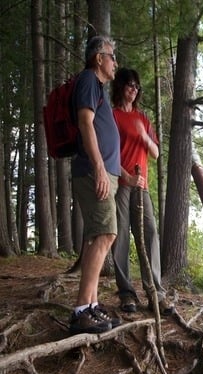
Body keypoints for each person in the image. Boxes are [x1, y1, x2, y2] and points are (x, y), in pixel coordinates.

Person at [69, 36, 122, 334]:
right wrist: (100, 168)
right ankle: (80, 311)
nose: (115, 62)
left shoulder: (96, 86)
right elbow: (85, 123)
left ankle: (90, 305)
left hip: (102, 172)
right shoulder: (89, 79)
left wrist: (117, 171)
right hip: (93, 171)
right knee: (106, 233)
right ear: (99, 58)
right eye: (112, 56)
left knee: (97, 238)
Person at [111, 68, 172, 315]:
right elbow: (108, 155)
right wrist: (127, 177)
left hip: (142, 187)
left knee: (149, 234)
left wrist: (144, 136)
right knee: (121, 237)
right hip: (121, 185)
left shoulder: (143, 119)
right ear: (121, 87)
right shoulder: (113, 116)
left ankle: (156, 292)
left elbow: (155, 153)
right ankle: (126, 293)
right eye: (129, 85)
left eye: (136, 86)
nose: (133, 90)